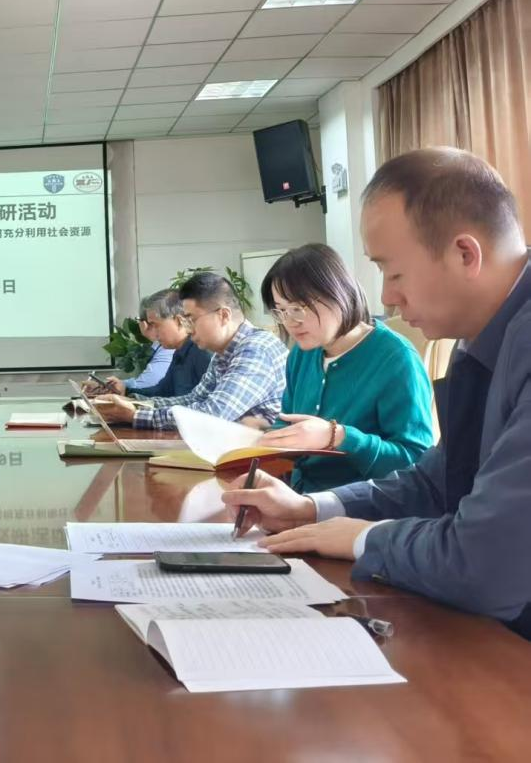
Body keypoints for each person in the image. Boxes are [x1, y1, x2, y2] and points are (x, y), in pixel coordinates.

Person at [223, 147, 531, 637]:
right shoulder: (479, 338)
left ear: (465, 254)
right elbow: (437, 481)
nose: (386, 296)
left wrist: (364, 538)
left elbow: (486, 566)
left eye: (394, 272)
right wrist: (313, 508)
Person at [257, 243, 434, 492]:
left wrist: (339, 437)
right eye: (282, 311)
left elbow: (415, 462)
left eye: (298, 308)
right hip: (298, 496)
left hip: (360, 505)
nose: (290, 322)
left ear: (337, 294)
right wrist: (263, 437)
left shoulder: (395, 359)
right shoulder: (301, 354)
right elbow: (289, 422)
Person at [97, 272, 287, 430]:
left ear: (223, 315)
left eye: (191, 319)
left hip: (263, 458)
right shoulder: (223, 352)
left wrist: (136, 415)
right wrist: (134, 406)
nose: (188, 328)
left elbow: (214, 414)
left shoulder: (256, 349)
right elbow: (194, 399)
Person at [92, 289, 211, 399]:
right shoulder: (179, 352)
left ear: (178, 321)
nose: (152, 331)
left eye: (155, 324)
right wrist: (126, 391)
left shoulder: (202, 351)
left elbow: (202, 405)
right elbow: (161, 391)